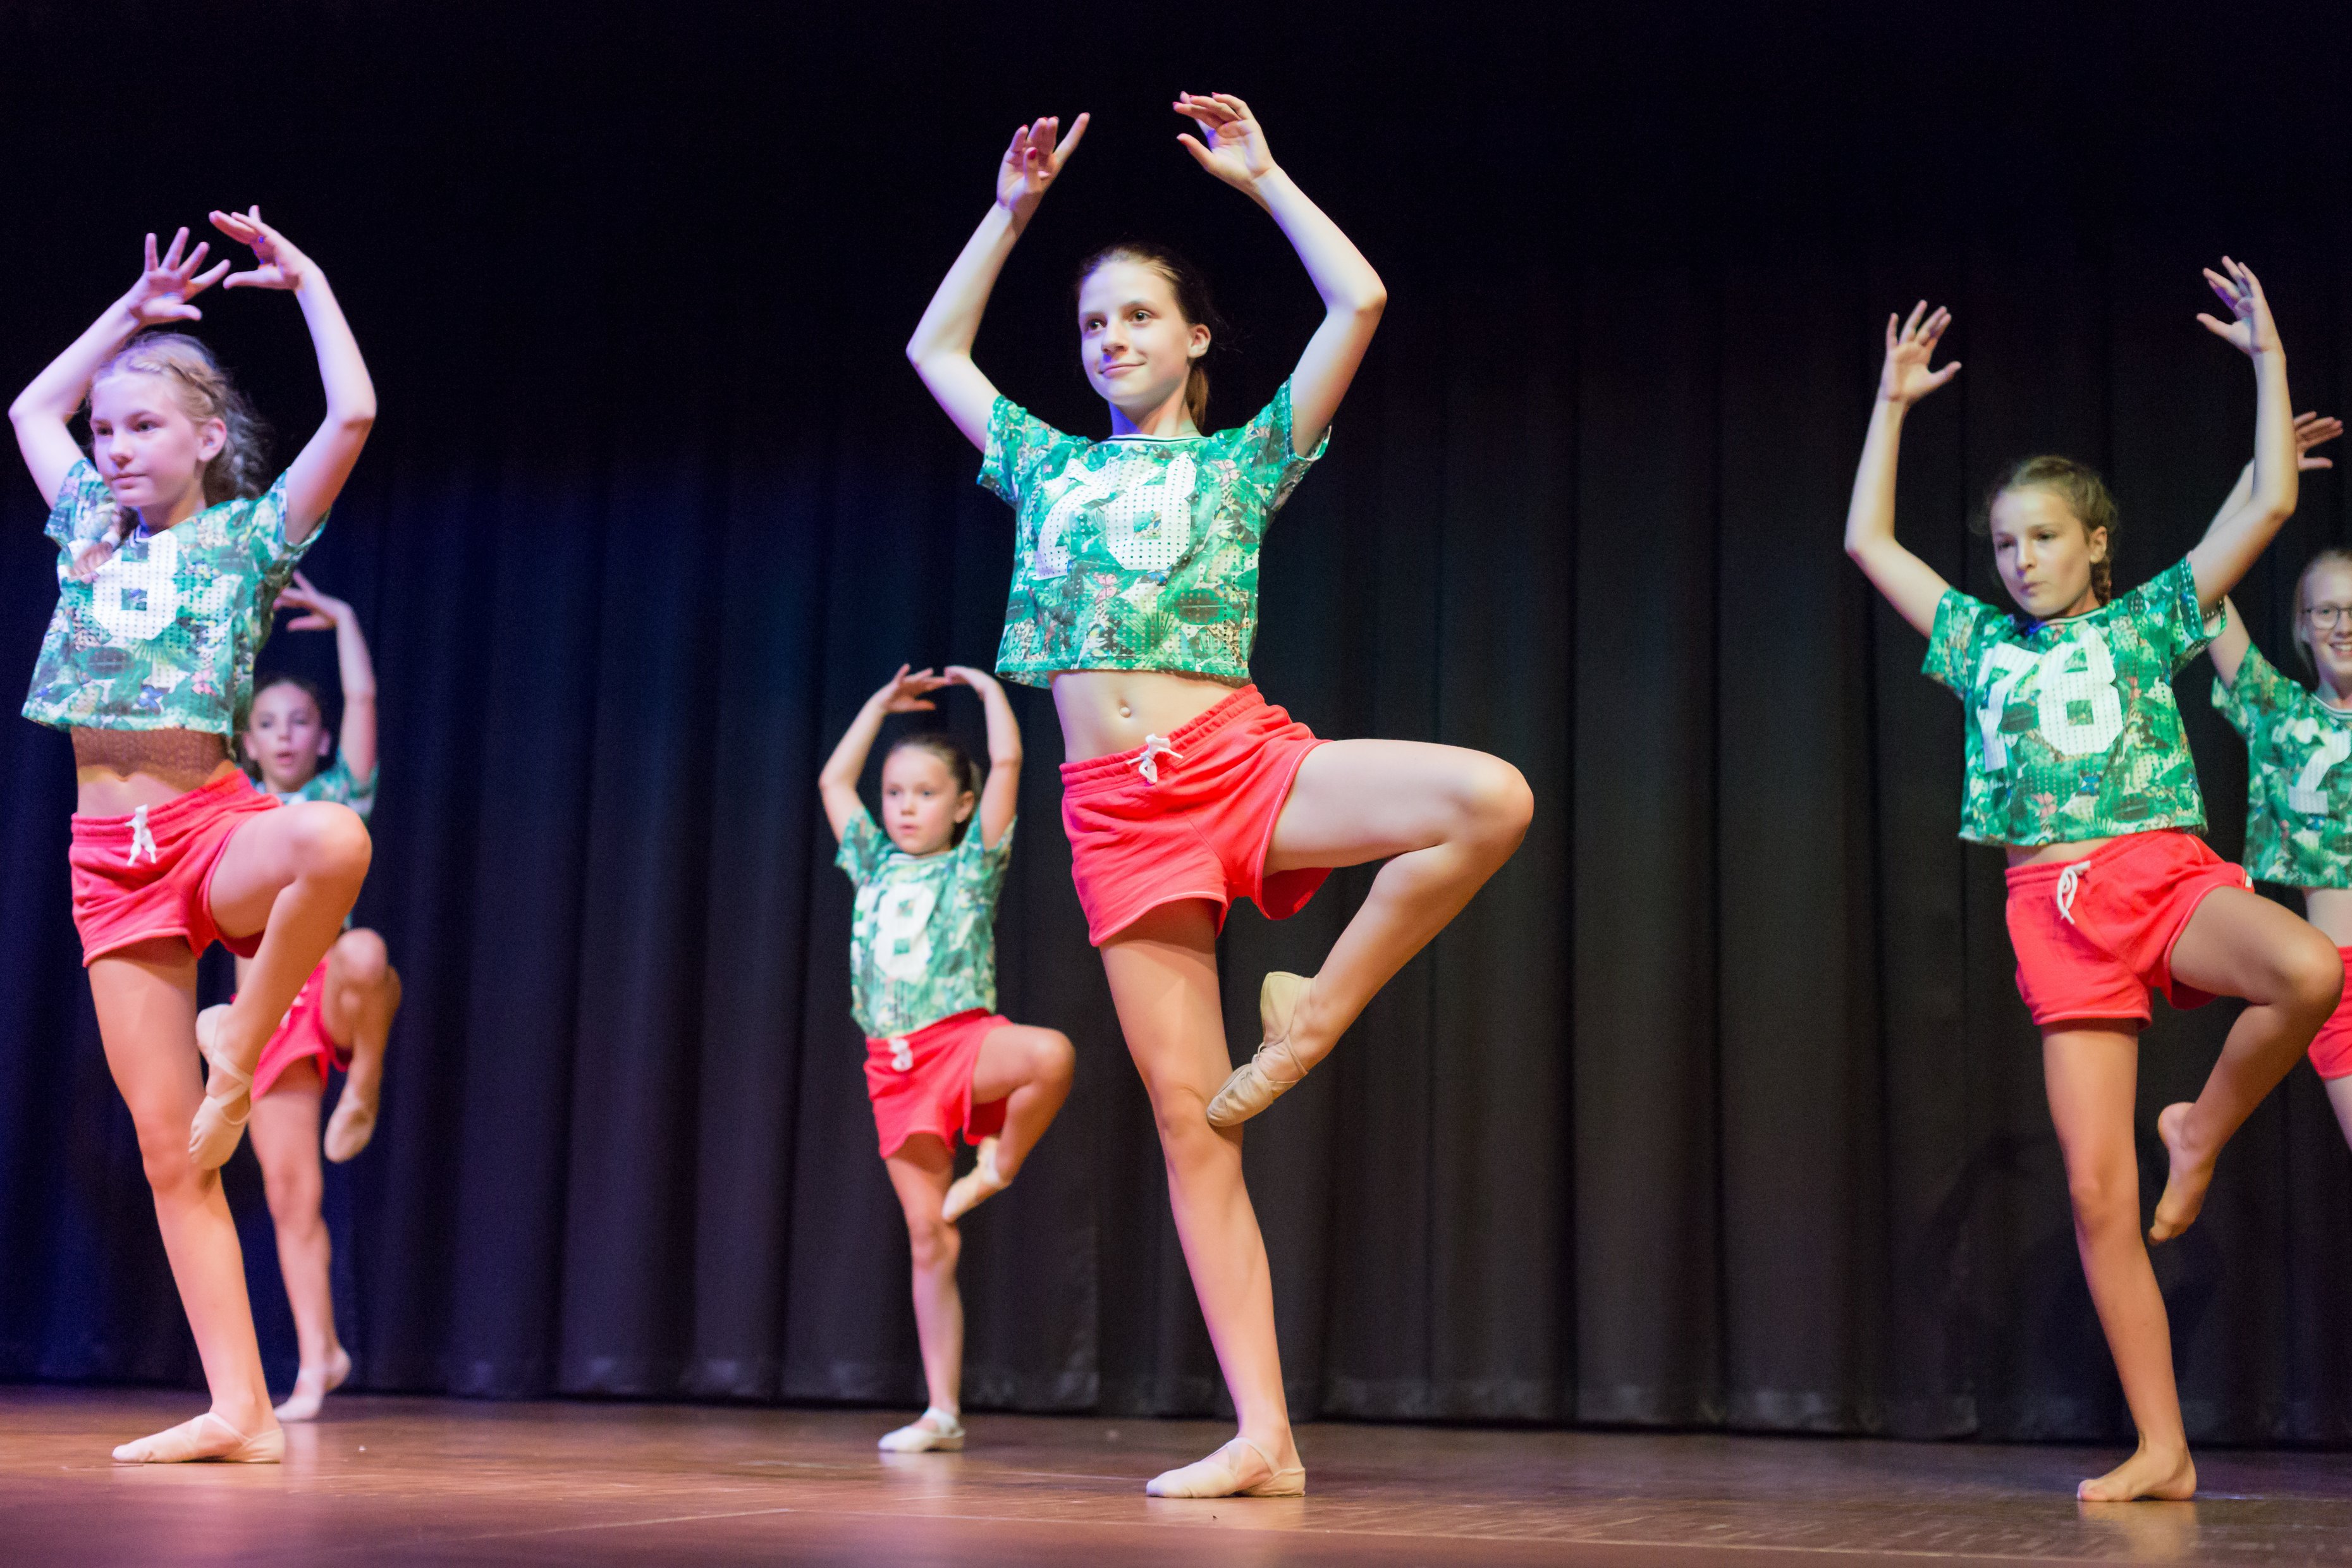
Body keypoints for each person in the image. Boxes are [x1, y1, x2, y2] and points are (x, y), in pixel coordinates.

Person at [905, 95, 1532, 1496]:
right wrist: (1008, 216)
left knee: (1488, 799)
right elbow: (934, 349)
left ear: (1196, 338)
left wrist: (1266, 179)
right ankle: (1265, 1437)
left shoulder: (1249, 460)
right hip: (1117, 818)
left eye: (1139, 317)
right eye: (1093, 324)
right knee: (1196, 1126)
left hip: (1238, 766)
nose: (1111, 340)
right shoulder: (1046, 464)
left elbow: (1360, 300)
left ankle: (1317, 1006)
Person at [1841, 271, 2342, 1501]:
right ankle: (2163, 1448)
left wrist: (2269, 358)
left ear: (2097, 542)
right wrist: (1891, 407)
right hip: (2055, 917)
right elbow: (1868, 543)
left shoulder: (2151, 619)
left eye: (2046, 538)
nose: (2022, 561)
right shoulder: (1976, 641)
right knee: (2096, 1191)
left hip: (2160, 874)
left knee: (2307, 969)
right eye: (2006, 544)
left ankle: (2200, 1128)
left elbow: (2274, 499)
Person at [9, 213, 377, 1462]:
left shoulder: (247, 540)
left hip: (209, 828)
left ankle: (244, 1032)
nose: (113, 448)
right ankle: (242, 1411)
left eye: (144, 427)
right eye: (108, 431)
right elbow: (32, 408)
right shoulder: (85, 527)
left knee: (332, 840)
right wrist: (129, 312)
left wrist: (310, 282)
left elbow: (353, 417)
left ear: (208, 438)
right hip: (106, 865)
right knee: (174, 1154)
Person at [818, 663, 1075, 1454]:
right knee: (931, 1236)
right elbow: (833, 780)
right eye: (895, 792)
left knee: (1049, 1054)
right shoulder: (870, 860)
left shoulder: (973, 865)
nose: (904, 806)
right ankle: (942, 1410)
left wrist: (992, 694)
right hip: (894, 1065)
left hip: (961, 1041)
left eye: (925, 792)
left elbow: (1009, 763)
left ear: (962, 805)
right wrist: (877, 703)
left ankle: (1000, 1163)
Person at [235, 572, 403, 1421]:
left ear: (322, 735)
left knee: (366, 950)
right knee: (289, 1195)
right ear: (248, 742)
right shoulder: (232, 810)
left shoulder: (338, 797)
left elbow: (364, 700)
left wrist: (344, 620)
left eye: (300, 720)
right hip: (265, 1013)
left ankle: (363, 1081)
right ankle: (317, 1359)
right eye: (268, 723)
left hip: (330, 984)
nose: (285, 734)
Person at [2205, 408, 2352, 1153]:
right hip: (2339, 979)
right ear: (2301, 626)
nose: (2343, 625)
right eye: (2326, 610)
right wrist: (2254, 480)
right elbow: (2200, 594)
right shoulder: (2279, 714)